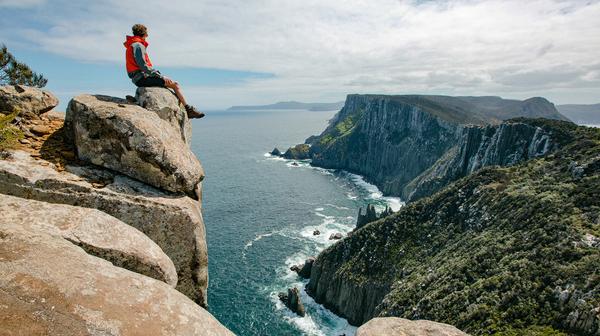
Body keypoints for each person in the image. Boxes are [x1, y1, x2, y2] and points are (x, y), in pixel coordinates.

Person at [124, 24, 204, 118]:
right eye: (147, 34)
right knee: (175, 85)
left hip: (138, 78)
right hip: (142, 78)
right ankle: (188, 109)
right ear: (144, 34)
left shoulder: (131, 45)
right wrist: (161, 76)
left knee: (168, 84)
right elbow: (143, 66)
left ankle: (186, 108)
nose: (147, 36)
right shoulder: (138, 45)